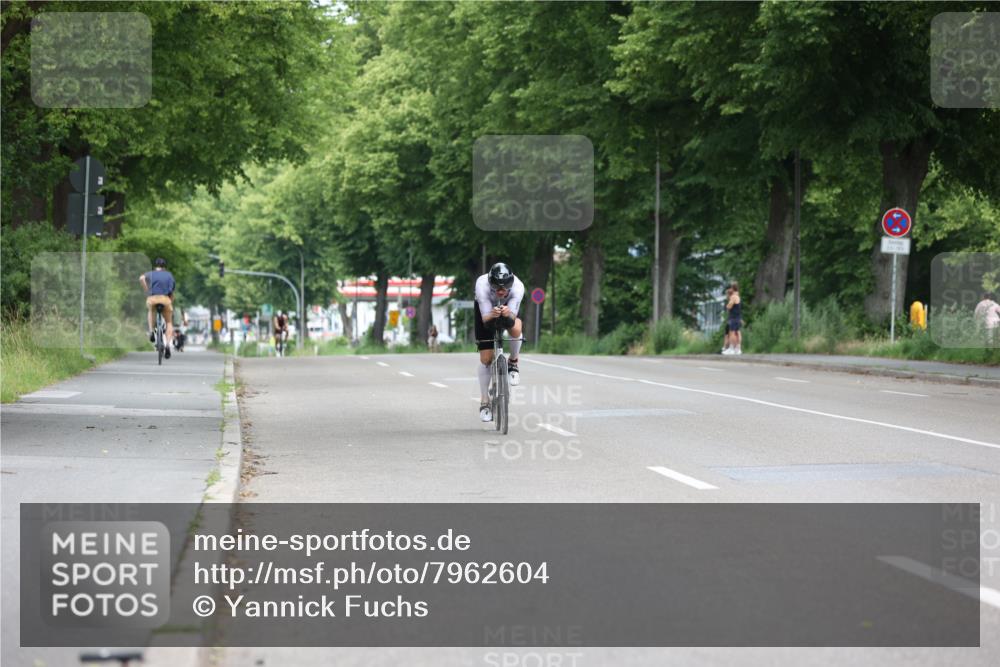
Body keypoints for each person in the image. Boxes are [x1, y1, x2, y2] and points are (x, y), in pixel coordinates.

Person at [475, 262, 525, 422]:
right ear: (491, 285)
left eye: (505, 289)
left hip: (508, 309)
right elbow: (485, 319)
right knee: (486, 359)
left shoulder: (518, 287)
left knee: (516, 329)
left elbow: (511, 320)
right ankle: (485, 401)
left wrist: (507, 313)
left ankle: (513, 362)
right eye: (497, 288)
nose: (501, 292)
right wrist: (493, 313)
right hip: (486, 311)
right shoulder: (481, 284)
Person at [139, 258, 176, 359]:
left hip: (153, 298)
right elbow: (172, 291)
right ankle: (168, 344)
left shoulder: (150, 273)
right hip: (165, 299)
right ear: (164, 266)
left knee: (151, 310)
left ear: (155, 265)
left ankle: (151, 331)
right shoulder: (169, 275)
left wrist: (147, 290)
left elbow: (141, 278)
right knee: (169, 322)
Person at [723, 281, 742, 355]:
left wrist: (728, 298)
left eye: (730, 287)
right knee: (737, 332)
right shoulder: (737, 295)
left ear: (732, 288)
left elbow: (729, 306)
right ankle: (738, 348)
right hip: (737, 316)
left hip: (733, 317)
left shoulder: (733, 296)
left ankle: (731, 348)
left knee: (732, 333)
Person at [721, 286, 733, 354]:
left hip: (731, 320)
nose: (726, 296)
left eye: (727, 294)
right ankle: (726, 347)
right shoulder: (730, 301)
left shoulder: (731, 301)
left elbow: (729, 310)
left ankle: (726, 347)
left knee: (728, 335)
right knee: (727, 334)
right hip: (730, 319)